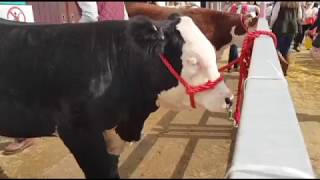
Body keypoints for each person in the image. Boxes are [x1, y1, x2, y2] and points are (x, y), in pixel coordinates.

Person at [270, 2, 302, 76]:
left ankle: (283, 63)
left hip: (280, 27)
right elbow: (299, 17)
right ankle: (285, 71)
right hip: (293, 28)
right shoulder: (297, 4)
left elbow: (274, 16)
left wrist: (271, 26)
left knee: (276, 48)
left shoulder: (279, 3)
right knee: (286, 49)